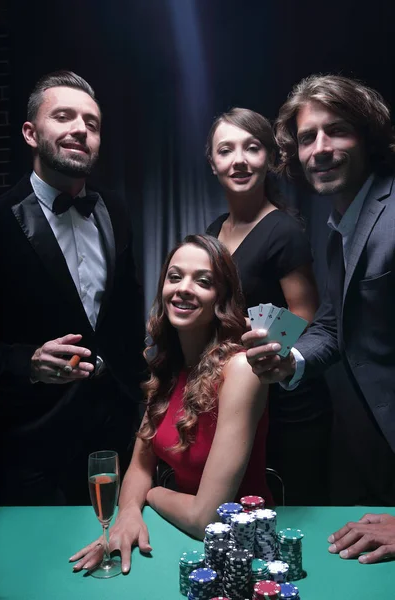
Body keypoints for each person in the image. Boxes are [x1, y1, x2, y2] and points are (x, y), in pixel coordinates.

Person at [70, 234, 272, 574]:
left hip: (238, 547)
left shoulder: (240, 369)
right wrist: (128, 515)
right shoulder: (166, 366)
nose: (183, 288)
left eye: (203, 281)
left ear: (220, 297)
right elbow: (139, 465)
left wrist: (150, 497)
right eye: (175, 276)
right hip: (175, 533)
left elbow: (206, 517)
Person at [242, 75, 395, 516]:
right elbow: (333, 321)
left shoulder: (290, 226)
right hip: (362, 445)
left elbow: (313, 314)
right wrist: (286, 361)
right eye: (308, 137)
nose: (321, 148)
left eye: (338, 130)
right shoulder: (334, 232)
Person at [0, 71, 145, 506]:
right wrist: (27, 362)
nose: (80, 129)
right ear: (30, 132)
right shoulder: (0, 220)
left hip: (113, 428)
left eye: (92, 123)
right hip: (29, 435)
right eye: (64, 116)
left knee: (114, 549)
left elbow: (127, 308)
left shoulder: (115, 210)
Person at [205, 107, 332, 505]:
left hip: (288, 406)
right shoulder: (213, 231)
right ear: (213, 163)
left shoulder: (283, 230)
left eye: (252, 147)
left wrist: (268, 358)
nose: (239, 159)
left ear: (270, 159)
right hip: (238, 401)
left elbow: (307, 315)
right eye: (226, 150)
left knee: (286, 516)